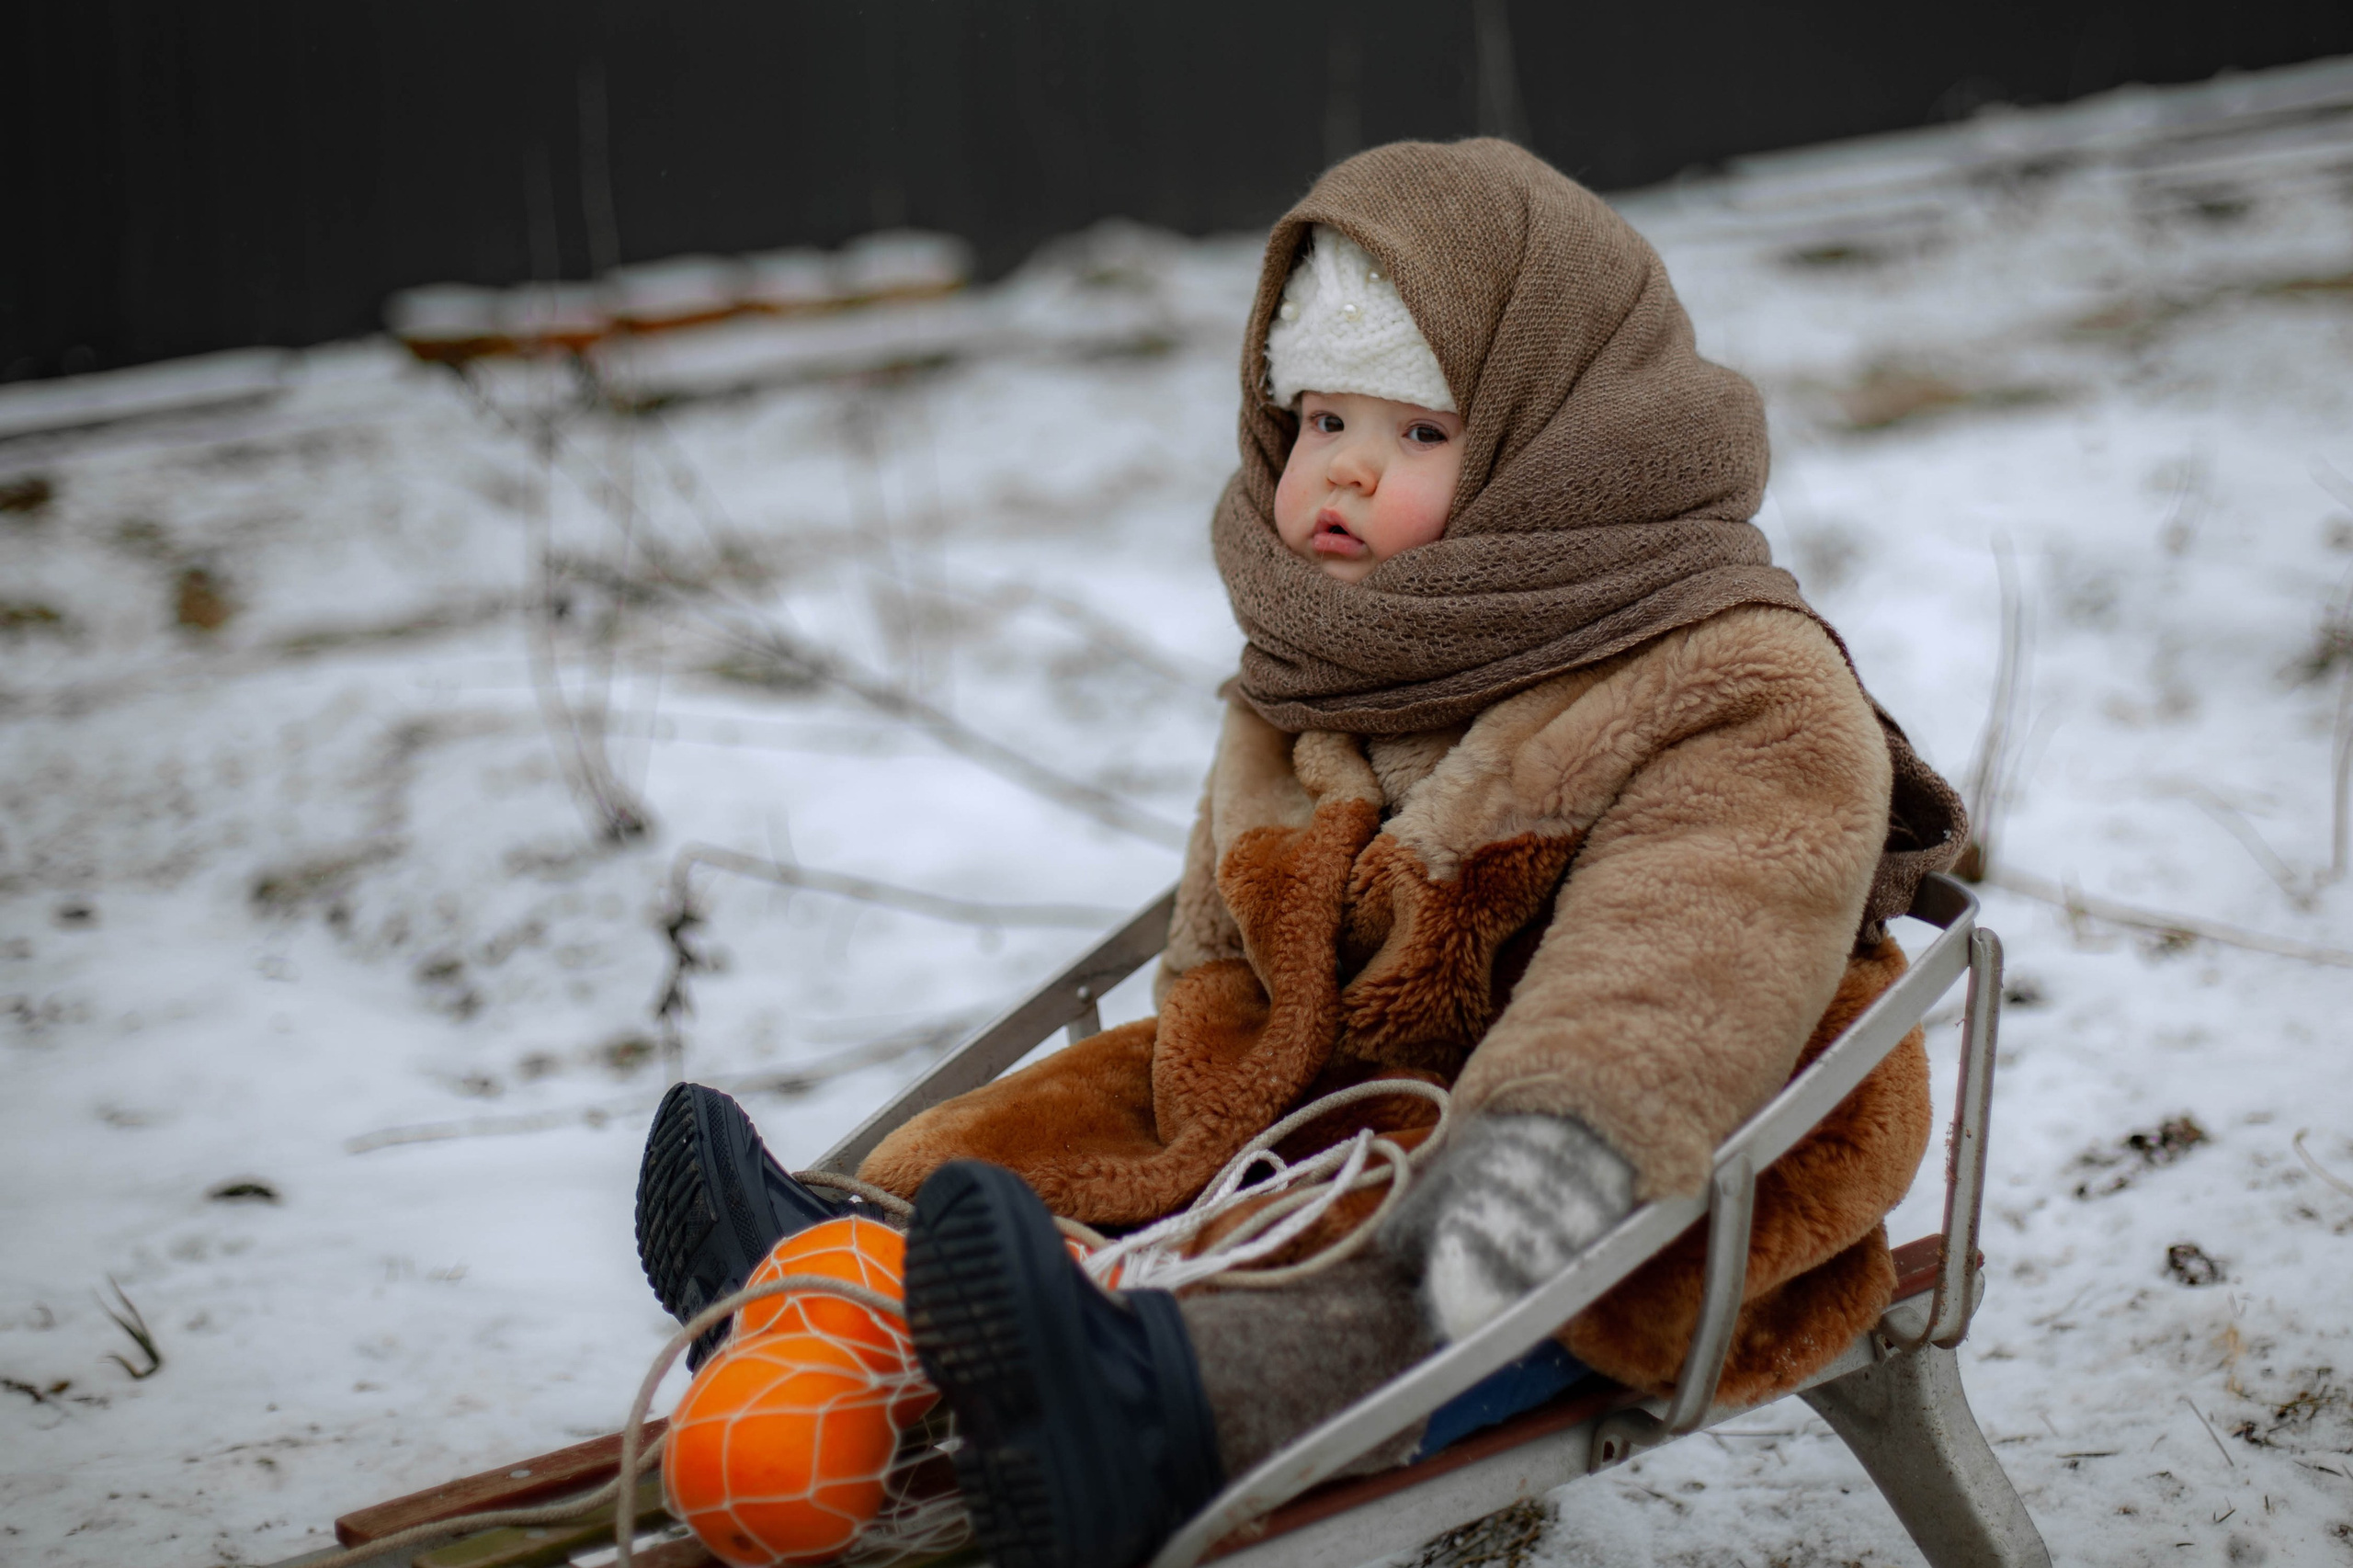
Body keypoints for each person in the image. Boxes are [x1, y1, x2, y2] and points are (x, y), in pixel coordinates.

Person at [635, 139, 1964, 1568]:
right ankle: (853, 1254)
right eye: (1322, 415)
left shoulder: (1732, 675)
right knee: (1082, 1118)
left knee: (1486, 1267)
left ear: (1557, 441)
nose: (1343, 469)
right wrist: (1169, 1126)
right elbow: (1220, 967)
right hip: (1351, 1101)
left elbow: (1679, 958)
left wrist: (1534, 1156)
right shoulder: (1325, 665)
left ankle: (1156, 1408)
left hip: (1655, 1133)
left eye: (1419, 434)